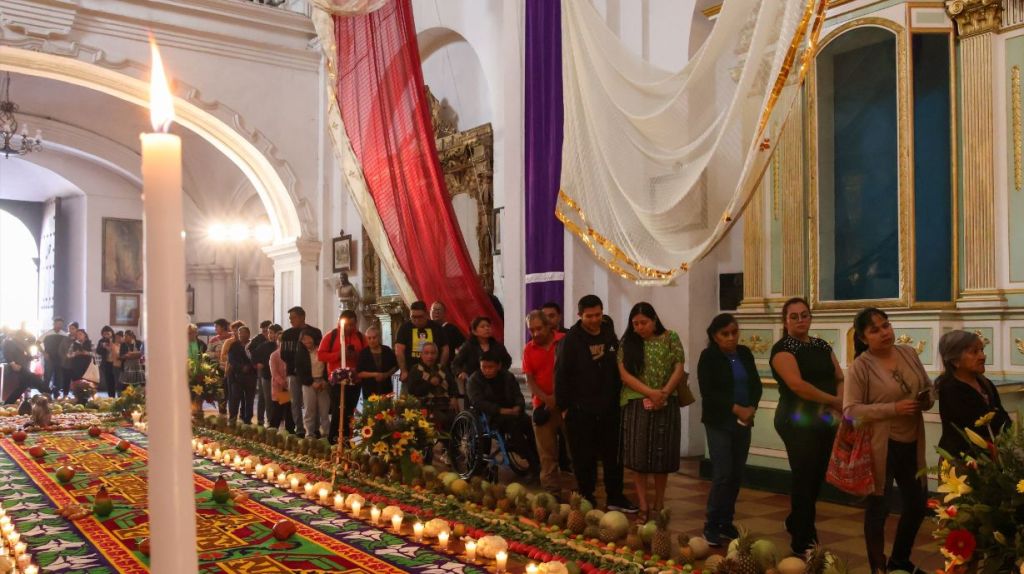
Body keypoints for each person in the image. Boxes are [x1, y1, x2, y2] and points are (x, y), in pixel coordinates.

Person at [844, 308, 933, 573]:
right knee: (878, 509)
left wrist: (926, 399)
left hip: (911, 439)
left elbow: (925, 385)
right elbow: (850, 411)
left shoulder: (908, 353)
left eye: (886, 326)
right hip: (880, 445)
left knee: (917, 505)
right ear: (863, 338)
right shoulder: (860, 366)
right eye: (875, 330)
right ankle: (878, 567)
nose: (885, 333)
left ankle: (900, 560)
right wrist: (892, 409)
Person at [770, 297, 844, 555]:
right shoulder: (783, 349)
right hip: (796, 419)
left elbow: (839, 376)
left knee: (815, 477)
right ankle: (803, 540)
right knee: (804, 477)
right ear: (785, 320)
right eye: (794, 316)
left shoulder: (821, 345)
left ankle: (795, 521)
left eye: (805, 315)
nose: (801, 320)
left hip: (823, 418)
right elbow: (798, 386)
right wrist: (835, 400)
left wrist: (839, 402)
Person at [555, 295, 637, 513]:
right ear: (580, 315)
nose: (594, 320)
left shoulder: (609, 334)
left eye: (598, 315)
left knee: (613, 456)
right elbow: (561, 375)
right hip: (580, 410)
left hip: (609, 408)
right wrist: (564, 408)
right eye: (589, 316)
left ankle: (615, 497)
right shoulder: (571, 340)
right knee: (584, 458)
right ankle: (586, 496)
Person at [617, 303, 687, 522]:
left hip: (666, 402)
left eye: (644, 323)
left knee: (661, 456)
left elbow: (678, 366)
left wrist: (664, 392)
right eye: (635, 323)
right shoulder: (628, 343)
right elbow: (625, 375)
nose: (640, 328)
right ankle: (643, 505)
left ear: (654, 319)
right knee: (639, 458)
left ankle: (659, 502)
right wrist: (650, 393)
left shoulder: (670, 338)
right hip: (637, 403)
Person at [697, 313, 762, 545]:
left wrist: (752, 407)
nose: (731, 338)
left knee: (736, 473)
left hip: (744, 420)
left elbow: (755, 383)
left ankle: (726, 521)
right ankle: (711, 524)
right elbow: (710, 393)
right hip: (719, 421)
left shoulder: (744, 353)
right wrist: (736, 409)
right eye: (725, 334)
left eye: (734, 332)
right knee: (723, 473)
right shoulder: (709, 357)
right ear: (715, 336)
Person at [937, 330, 1011, 458]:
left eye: (982, 350)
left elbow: (1002, 417)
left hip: (991, 458)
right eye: (974, 352)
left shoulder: (985, 383)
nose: (982, 356)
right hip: (963, 461)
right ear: (955, 360)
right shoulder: (949, 389)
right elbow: (975, 426)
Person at [467, 350, 538, 470]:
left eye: (491, 367)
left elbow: (518, 395)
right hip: (491, 416)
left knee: (530, 424)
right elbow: (478, 402)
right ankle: (533, 462)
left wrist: (518, 406)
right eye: (484, 367)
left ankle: (537, 456)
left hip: (513, 412)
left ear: (499, 366)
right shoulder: (475, 379)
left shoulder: (508, 376)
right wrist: (500, 410)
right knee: (513, 427)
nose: (487, 370)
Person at [522, 310, 566, 497]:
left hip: (566, 405)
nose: (536, 333)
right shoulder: (529, 349)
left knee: (576, 450)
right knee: (547, 455)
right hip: (543, 407)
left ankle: (583, 491)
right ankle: (551, 493)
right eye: (532, 330)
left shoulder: (564, 341)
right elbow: (529, 380)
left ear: (549, 326)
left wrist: (558, 396)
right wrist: (547, 399)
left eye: (539, 328)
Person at [318, 310, 366, 443]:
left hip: (355, 381)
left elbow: (366, 355)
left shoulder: (361, 337)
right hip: (336, 381)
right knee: (338, 410)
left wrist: (356, 355)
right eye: (347, 325)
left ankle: (350, 438)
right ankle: (334, 439)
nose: (349, 328)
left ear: (356, 323)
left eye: (352, 325)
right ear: (340, 322)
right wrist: (338, 355)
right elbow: (321, 355)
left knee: (351, 410)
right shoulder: (331, 336)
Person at [407, 342, 458, 461]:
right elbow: (412, 390)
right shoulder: (416, 370)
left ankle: (450, 450)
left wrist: (454, 397)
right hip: (426, 405)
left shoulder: (442, 368)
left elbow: (452, 385)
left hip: (445, 403)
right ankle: (439, 447)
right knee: (443, 419)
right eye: (427, 353)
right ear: (421, 355)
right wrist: (429, 383)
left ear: (437, 354)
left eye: (433, 353)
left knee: (455, 420)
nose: (430, 356)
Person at [280, 307, 321, 438]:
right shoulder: (287, 334)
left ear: (302, 316)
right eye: (290, 318)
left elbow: (318, 352)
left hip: (312, 374)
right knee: (295, 402)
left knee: (313, 403)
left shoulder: (315, 332)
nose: (291, 320)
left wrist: (305, 367)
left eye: (293, 317)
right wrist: (297, 365)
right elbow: (284, 354)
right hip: (293, 373)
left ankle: (314, 428)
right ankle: (299, 428)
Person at [395, 301, 449, 385]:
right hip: (411, 374)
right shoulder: (404, 328)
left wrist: (441, 370)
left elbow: (445, 349)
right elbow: (399, 351)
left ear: (426, 314)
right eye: (413, 317)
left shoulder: (437, 328)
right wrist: (403, 370)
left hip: (434, 374)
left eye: (420, 317)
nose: (416, 320)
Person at [452, 316, 512, 386]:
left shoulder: (498, 346)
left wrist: (498, 371)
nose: (487, 328)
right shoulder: (468, 346)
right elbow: (455, 364)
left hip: (496, 382)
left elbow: (507, 361)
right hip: (474, 383)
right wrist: (460, 373)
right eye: (482, 327)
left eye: (488, 326)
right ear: (474, 331)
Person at [295, 327, 329, 439]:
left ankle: (327, 434)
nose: (306, 341)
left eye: (308, 338)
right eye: (303, 339)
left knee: (324, 410)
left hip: (322, 382)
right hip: (308, 383)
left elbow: (327, 366)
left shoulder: (321, 349)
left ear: (313, 338)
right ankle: (310, 434)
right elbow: (300, 371)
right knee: (310, 410)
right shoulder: (301, 352)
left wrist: (325, 380)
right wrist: (311, 382)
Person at [251, 324, 282, 428]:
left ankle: (282, 421)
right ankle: (270, 421)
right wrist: (257, 364)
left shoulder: (283, 346)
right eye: (269, 333)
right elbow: (253, 356)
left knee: (283, 400)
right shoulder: (264, 346)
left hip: (282, 380)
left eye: (272, 333)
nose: (270, 335)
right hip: (268, 377)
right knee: (269, 400)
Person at [355, 325, 399, 400]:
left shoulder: (387, 350)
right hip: (369, 389)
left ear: (379, 337)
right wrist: (375, 374)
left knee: (387, 411)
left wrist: (386, 375)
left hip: (386, 388)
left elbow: (395, 366)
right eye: (369, 338)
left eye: (374, 337)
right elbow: (359, 373)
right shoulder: (363, 353)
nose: (372, 340)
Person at [227, 326, 257, 424]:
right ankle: (233, 417)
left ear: (248, 334)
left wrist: (249, 366)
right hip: (236, 376)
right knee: (235, 398)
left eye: (243, 333)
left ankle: (247, 418)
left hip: (250, 376)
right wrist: (241, 367)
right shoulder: (234, 345)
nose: (241, 335)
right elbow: (231, 359)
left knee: (249, 399)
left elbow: (256, 357)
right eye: (239, 333)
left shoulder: (253, 345)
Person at [268, 344, 295, 433]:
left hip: (290, 385)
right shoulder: (274, 355)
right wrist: (283, 382)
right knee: (278, 409)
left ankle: (290, 430)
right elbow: (274, 373)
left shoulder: (291, 353)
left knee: (289, 409)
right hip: (281, 386)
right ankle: (273, 429)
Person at [206, 318, 231, 414]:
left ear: (223, 326)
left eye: (216, 326)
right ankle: (222, 410)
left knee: (232, 391)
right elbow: (207, 353)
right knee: (221, 391)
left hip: (232, 368)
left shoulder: (232, 337)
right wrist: (216, 354)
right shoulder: (213, 340)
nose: (215, 328)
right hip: (219, 369)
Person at [40, 317, 67, 394]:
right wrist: (44, 353)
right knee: (47, 376)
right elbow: (37, 343)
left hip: (60, 358)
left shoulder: (64, 334)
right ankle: (45, 393)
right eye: (58, 324)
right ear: (54, 324)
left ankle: (56, 393)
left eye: (61, 324)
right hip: (49, 358)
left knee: (59, 376)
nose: (59, 325)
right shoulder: (47, 333)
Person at [56, 322, 79, 398]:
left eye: (73, 328)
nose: (71, 330)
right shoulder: (65, 338)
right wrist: (64, 357)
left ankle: (77, 396)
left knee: (76, 380)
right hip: (66, 363)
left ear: (77, 329)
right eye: (69, 328)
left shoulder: (79, 337)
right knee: (66, 380)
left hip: (76, 363)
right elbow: (60, 349)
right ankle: (65, 395)